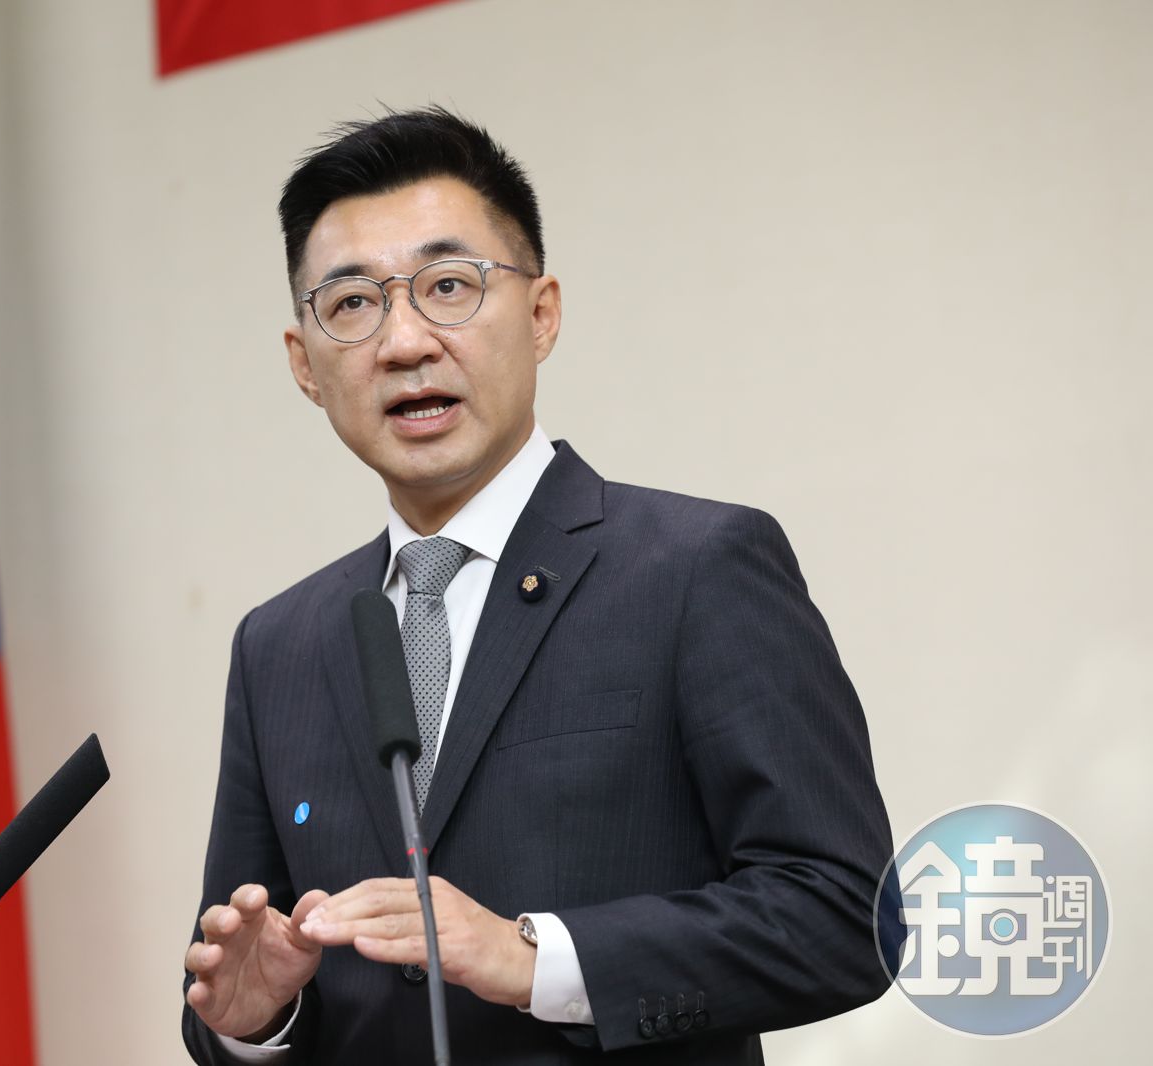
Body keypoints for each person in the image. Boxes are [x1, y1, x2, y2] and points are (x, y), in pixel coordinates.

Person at [181, 107, 897, 1065]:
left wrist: (532, 959)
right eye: (351, 304)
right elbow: (231, 990)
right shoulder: (279, 645)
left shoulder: (695, 568)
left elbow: (846, 915)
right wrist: (257, 1021)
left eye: (448, 286)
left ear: (542, 313)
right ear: (304, 364)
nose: (404, 342)